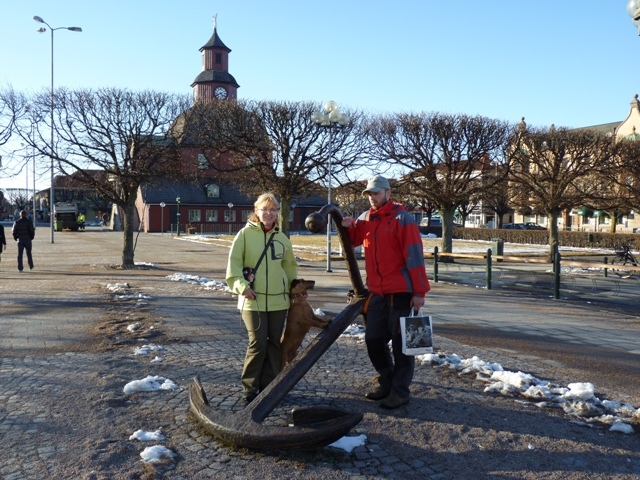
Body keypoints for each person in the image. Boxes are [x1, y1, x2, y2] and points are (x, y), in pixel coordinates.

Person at [341, 175, 430, 409]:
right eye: (369, 194)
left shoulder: (402, 219)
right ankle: (387, 380)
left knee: (402, 346)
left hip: (401, 292)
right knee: (373, 339)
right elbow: (353, 241)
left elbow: (415, 256)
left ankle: (400, 392)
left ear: (388, 193)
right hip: (377, 292)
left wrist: (419, 292)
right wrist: (349, 227)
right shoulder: (366, 219)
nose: (372, 197)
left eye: (376, 193)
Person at [226, 193, 298, 403]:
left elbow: (290, 268)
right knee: (258, 343)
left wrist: (295, 289)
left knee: (275, 343)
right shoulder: (244, 235)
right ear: (256, 211)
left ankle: (269, 387)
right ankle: (250, 389)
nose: (269, 213)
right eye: (264, 209)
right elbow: (234, 266)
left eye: (273, 209)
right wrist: (242, 287)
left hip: (279, 301)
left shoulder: (282, 239)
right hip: (253, 300)